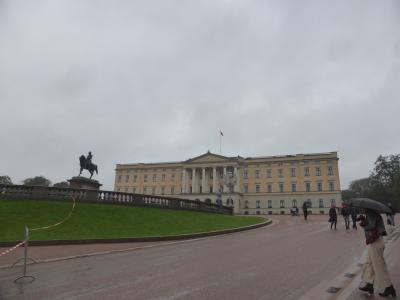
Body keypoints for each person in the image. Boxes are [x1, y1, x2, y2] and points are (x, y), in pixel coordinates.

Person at [358, 209, 397, 297]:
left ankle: (389, 288)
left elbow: (371, 227)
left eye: (364, 208)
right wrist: (364, 220)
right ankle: (369, 284)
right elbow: (371, 226)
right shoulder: (372, 214)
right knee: (370, 264)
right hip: (374, 243)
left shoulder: (371, 214)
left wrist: (363, 222)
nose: (363, 209)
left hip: (376, 243)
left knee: (379, 267)